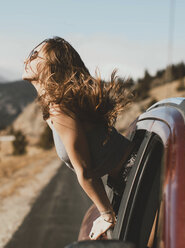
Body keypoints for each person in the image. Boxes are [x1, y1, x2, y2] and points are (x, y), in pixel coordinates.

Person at [22, 36, 136, 240]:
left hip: (134, 173)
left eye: (34, 55)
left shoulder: (59, 108)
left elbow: (85, 171)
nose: (26, 59)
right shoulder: (56, 106)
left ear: (52, 65)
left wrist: (106, 215)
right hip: (125, 178)